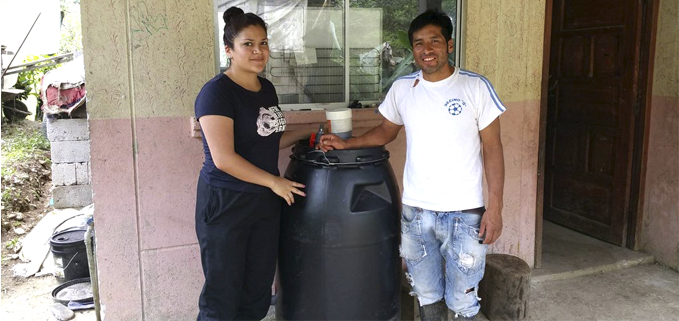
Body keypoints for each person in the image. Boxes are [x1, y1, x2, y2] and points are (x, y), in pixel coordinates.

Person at [319, 9, 505, 321]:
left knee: (462, 302)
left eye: (434, 41)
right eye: (419, 43)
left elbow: (493, 148)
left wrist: (495, 208)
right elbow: (385, 132)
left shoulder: (475, 87)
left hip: (466, 214)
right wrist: (347, 143)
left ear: (449, 45)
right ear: (413, 49)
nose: (426, 50)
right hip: (416, 213)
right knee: (427, 295)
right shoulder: (403, 88)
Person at [193, 7, 310, 321]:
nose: (259, 51)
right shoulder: (216, 93)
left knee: (257, 292)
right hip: (226, 204)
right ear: (229, 50)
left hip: (264, 205)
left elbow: (268, 138)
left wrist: (310, 134)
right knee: (222, 295)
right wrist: (275, 181)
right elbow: (224, 158)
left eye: (264, 43)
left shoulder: (266, 89)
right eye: (248, 44)